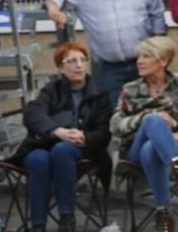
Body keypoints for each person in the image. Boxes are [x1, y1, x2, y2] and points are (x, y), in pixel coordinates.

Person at [43, 0, 167, 108]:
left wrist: (158, 51)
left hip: (144, 62)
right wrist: (54, 10)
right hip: (109, 68)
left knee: (151, 110)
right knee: (113, 114)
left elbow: (157, 13)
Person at [7, 42, 112, 232]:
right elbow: (33, 115)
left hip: (81, 150)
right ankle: (38, 225)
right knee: (38, 159)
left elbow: (104, 131)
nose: (78, 65)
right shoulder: (51, 89)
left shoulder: (100, 93)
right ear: (61, 67)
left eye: (82, 60)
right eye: (72, 61)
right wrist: (58, 131)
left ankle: (66, 218)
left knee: (62, 150)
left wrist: (85, 137)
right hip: (45, 145)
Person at [110, 36, 178, 232]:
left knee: (151, 149)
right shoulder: (130, 90)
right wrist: (142, 118)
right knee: (153, 120)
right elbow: (115, 125)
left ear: (163, 61)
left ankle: (164, 212)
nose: (139, 61)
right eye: (139, 56)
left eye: (146, 56)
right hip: (135, 152)